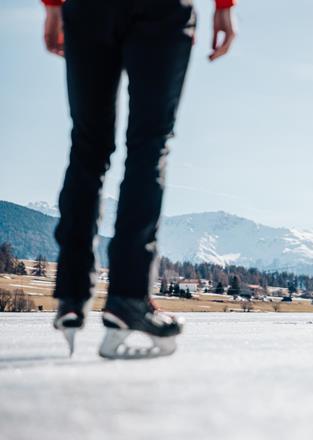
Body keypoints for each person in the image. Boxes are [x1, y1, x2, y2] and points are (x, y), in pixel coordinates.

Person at [42, 0, 237, 359]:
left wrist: (53, 7)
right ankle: (128, 299)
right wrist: (224, 6)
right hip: (160, 10)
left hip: (89, 12)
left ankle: (71, 295)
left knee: (88, 146)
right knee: (149, 147)